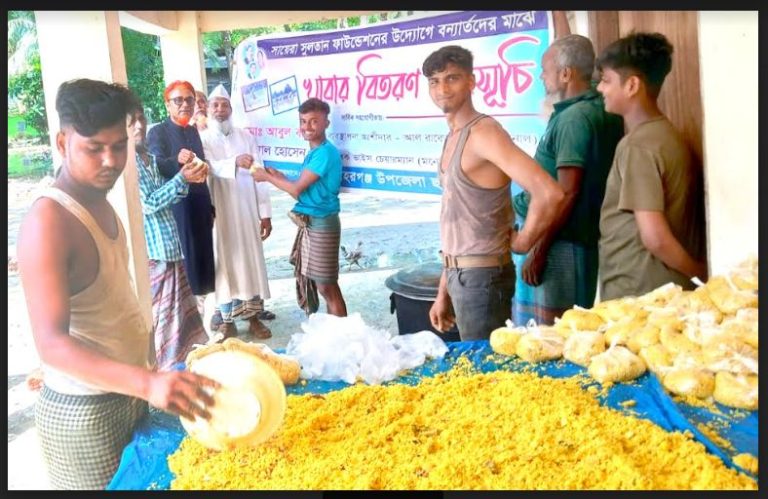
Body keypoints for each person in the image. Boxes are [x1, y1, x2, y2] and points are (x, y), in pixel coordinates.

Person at [16, 78, 218, 490]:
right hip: (83, 412)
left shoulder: (98, 199)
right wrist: (148, 382)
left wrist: (146, 380)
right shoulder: (49, 221)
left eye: (118, 145)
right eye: (94, 148)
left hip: (126, 391)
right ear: (61, 142)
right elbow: (50, 344)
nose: (110, 160)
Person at [421, 45, 565, 341]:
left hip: (482, 280)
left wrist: (524, 242)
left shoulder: (484, 132)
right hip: (461, 276)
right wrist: (443, 290)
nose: (442, 88)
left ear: (472, 82)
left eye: (452, 78)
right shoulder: (454, 136)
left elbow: (550, 193)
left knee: (485, 376)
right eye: (434, 81)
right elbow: (456, 222)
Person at [512, 34, 624, 326]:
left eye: (545, 70)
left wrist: (539, 248)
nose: (541, 77)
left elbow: (568, 192)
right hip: (566, 237)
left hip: (560, 243)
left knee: (550, 335)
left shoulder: (575, 118)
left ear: (565, 73)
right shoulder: (595, 108)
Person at [596, 32, 707, 300]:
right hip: (656, 291)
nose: (600, 88)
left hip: (640, 294)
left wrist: (700, 274)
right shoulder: (666, 134)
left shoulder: (638, 146)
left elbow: (655, 237)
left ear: (632, 85)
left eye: (606, 80)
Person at [130, 99, 210, 370]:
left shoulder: (151, 160)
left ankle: (185, 366)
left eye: (141, 118)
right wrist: (180, 179)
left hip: (172, 248)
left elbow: (174, 192)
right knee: (165, 322)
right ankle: (167, 374)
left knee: (185, 317)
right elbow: (149, 203)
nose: (139, 126)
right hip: (156, 255)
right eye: (131, 122)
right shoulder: (129, 166)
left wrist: (189, 179)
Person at [252, 98, 348, 317]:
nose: (307, 127)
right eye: (303, 121)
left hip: (323, 222)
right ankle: (336, 334)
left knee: (327, 286)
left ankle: (343, 336)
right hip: (313, 222)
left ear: (327, 123)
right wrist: (280, 177)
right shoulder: (315, 152)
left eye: (314, 121)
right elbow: (304, 188)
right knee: (322, 285)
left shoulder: (324, 152)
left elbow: (296, 190)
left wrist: (267, 177)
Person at [199, 84, 275, 339]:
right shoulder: (203, 139)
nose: (220, 110)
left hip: (246, 210)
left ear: (231, 109)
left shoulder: (246, 137)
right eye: (215, 105)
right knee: (225, 264)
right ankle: (227, 321)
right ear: (208, 110)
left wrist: (265, 212)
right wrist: (233, 162)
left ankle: (253, 318)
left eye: (224, 105)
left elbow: (259, 174)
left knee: (250, 262)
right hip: (218, 213)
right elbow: (207, 166)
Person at [147, 81, 216, 315]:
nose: (185, 104)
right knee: (189, 259)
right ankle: (192, 313)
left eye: (189, 100)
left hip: (200, 203)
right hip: (178, 206)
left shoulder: (193, 129)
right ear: (168, 105)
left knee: (205, 258)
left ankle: (207, 312)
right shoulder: (158, 132)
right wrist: (176, 158)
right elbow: (157, 165)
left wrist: (210, 205)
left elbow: (202, 167)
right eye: (178, 100)